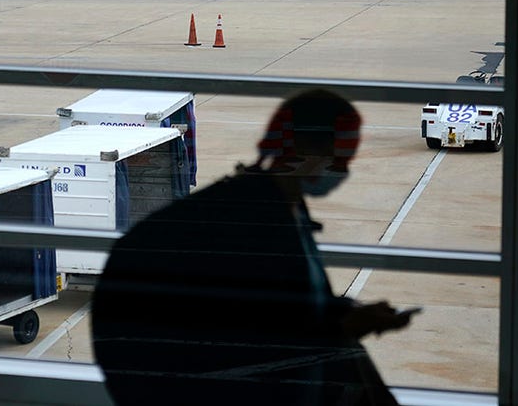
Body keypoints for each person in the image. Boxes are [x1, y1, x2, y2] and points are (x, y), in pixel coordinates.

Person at [91, 89, 417, 406]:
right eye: (339, 156)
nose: (343, 170)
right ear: (302, 148)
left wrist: (347, 312)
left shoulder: (286, 212)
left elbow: (292, 307)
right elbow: (255, 337)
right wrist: (343, 328)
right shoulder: (249, 227)